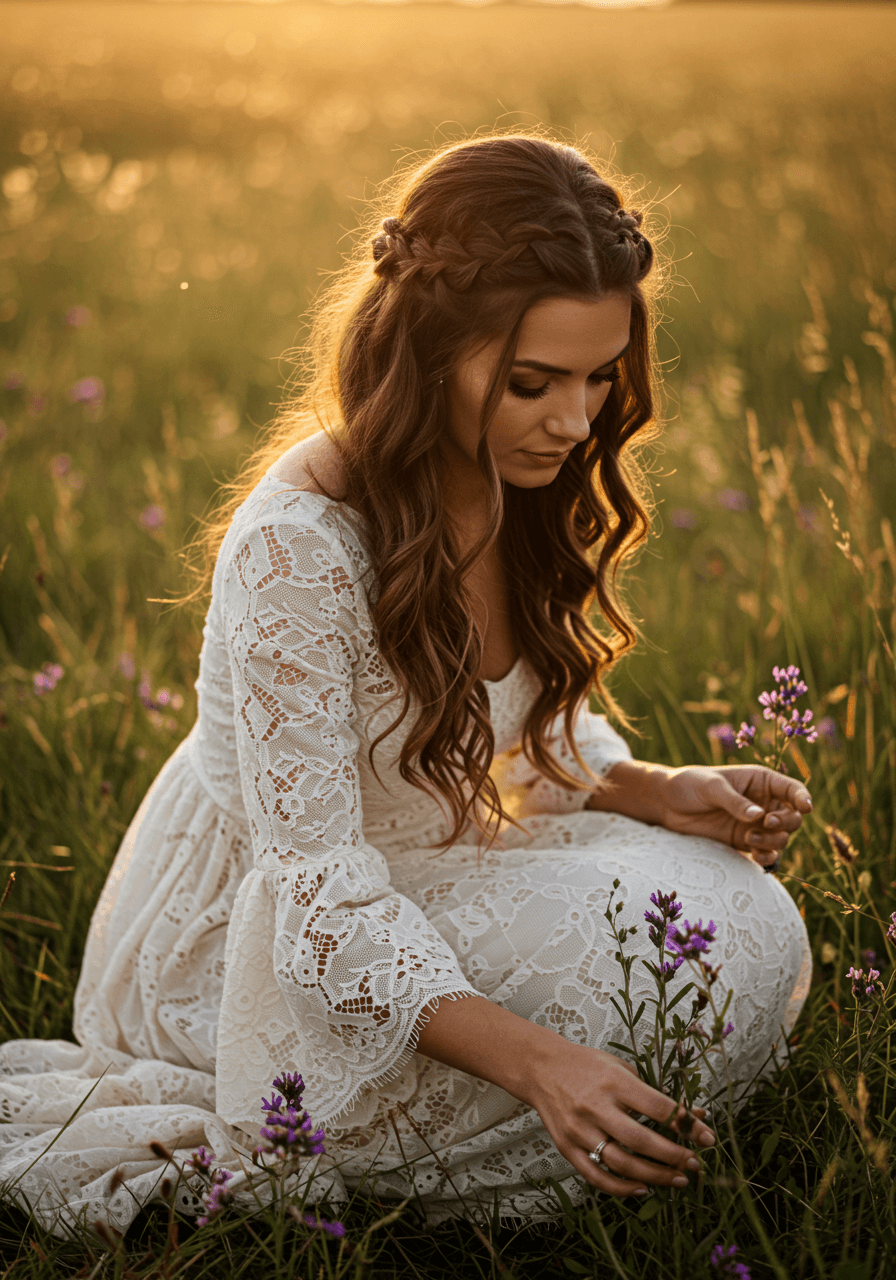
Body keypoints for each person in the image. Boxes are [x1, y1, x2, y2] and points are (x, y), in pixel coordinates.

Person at [0, 133, 812, 1237]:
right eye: (533, 381)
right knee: (606, 1002)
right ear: (431, 350)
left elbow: (508, 726)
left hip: (434, 850)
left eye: (596, 378)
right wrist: (536, 1063)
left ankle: (573, 1095)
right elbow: (319, 901)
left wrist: (654, 787)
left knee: (744, 918)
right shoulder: (298, 548)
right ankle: (471, 1138)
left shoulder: (518, 468)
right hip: (276, 924)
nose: (575, 424)